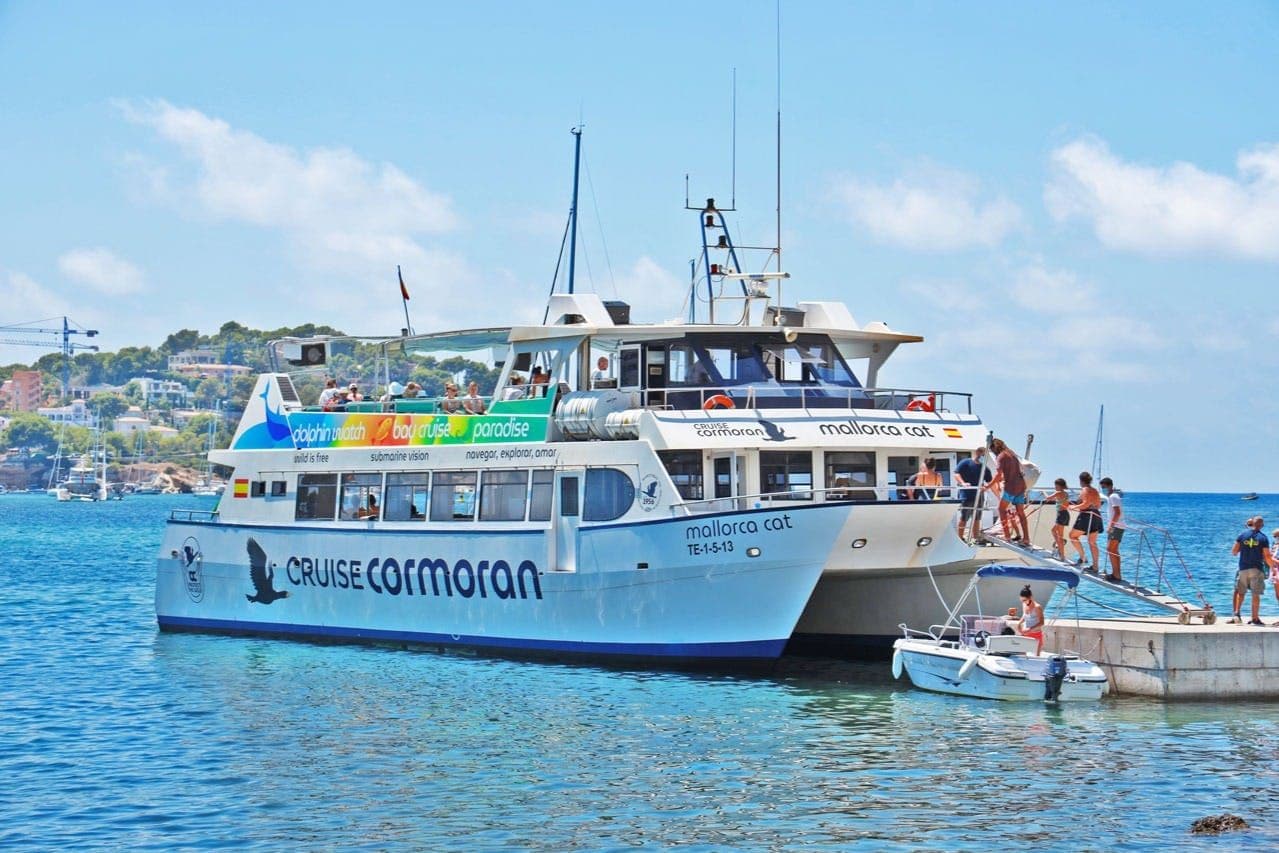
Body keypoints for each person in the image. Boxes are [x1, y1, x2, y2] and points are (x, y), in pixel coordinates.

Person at [1230, 516, 1275, 625]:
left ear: (1252, 524)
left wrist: (1243, 549)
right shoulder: (1263, 538)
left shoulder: (1242, 535)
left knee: (1240, 593)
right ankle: (1255, 618)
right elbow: (1267, 556)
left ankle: (1237, 614)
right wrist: (1273, 567)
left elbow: (1234, 551)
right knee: (1255, 594)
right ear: (1262, 525)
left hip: (1243, 568)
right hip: (1256, 569)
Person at [986, 438, 1028, 543]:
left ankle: (1007, 536)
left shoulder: (1001, 456)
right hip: (1021, 486)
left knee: (1001, 509)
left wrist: (987, 486)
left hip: (1011, 487)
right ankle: (1026, 538)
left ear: (994, 448)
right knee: (1020, 512)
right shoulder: (1012, 454)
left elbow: (998, 474)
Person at [1068, 471, 1104, 572]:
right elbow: (1098, 505)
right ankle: (1095, 566)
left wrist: (1074, 507)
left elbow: (1085, 504)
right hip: (1096, 515)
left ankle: (1083, 558)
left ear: (1081, 481)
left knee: (1072, 536)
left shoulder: (1085, 489)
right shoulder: (1095, 491)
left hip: (1086, 516)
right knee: (1092, 542)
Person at [953, 447, 990, 541]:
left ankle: (976, 537)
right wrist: (963, 483)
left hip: (979, 495)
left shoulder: (984, 467)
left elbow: (990, 481)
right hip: (967, 494)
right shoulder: (965, 462)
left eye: (985, 454)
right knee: (964, 517)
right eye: (982, 453)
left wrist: (987, 488)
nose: (983, 456)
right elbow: (956, 474)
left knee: (977, 517)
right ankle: (960, 538)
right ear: (977, 452)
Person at [1100, 477, 1125, 583]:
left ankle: (1116, 574)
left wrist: (1111, 525)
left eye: (1103, 487)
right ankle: (1116, 574)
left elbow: (1117, 512)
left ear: (1109, 486)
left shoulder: (1113, 497)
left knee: (1111, 549)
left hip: (1117, 526)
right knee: (1113, 550)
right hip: (1117, 526)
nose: (1103, 489)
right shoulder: (1112, 496)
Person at [1015, 585, 1045, 653]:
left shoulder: (1037, 607)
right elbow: (1024, 615)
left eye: (1025, 600)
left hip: (1035, 634)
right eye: (1022, 600)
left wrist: (1030, 629)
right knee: (1022, 655)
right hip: (1025, 633)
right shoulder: (1024, 604)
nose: (1024, 602)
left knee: (1036, 658)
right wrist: (1019, 623)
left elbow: (1042, 622)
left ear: (1030, 597)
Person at [1047, 477, 1070, 561]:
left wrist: (1044, 494)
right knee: (1054, 531)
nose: (1055, 487)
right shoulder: (1065, 494)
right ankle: (1060, 545)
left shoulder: (1058, 492)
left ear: (1059, 485)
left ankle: (1062, 556)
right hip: (1065, 514)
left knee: (1059, 536)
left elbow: (1048, 498)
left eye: (1055, 485)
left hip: (1061, 515)